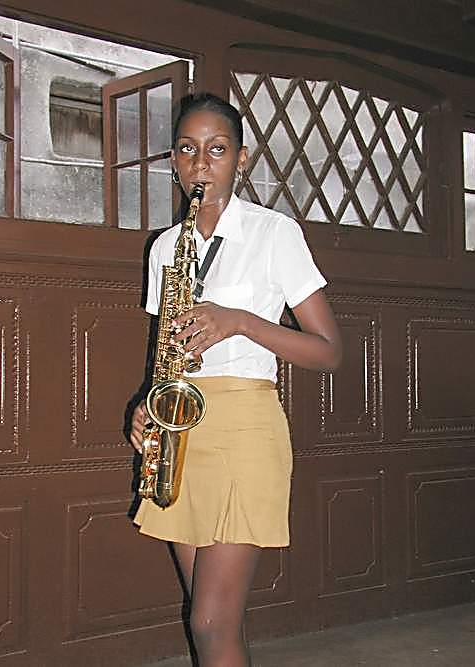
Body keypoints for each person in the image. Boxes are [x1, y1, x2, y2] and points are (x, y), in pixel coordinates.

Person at [130, 92, 342, 667]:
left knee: (209, 620)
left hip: (246, 428)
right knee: (213, 623)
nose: (201, 163)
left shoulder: (276, 234)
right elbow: (163, 349)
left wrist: (241, 323)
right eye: (187, 150)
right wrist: (145, 407)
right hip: (181, 426)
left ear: (242, 159)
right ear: (174, 161)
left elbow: (329, 352)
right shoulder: (165, 249)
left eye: (217, 150)